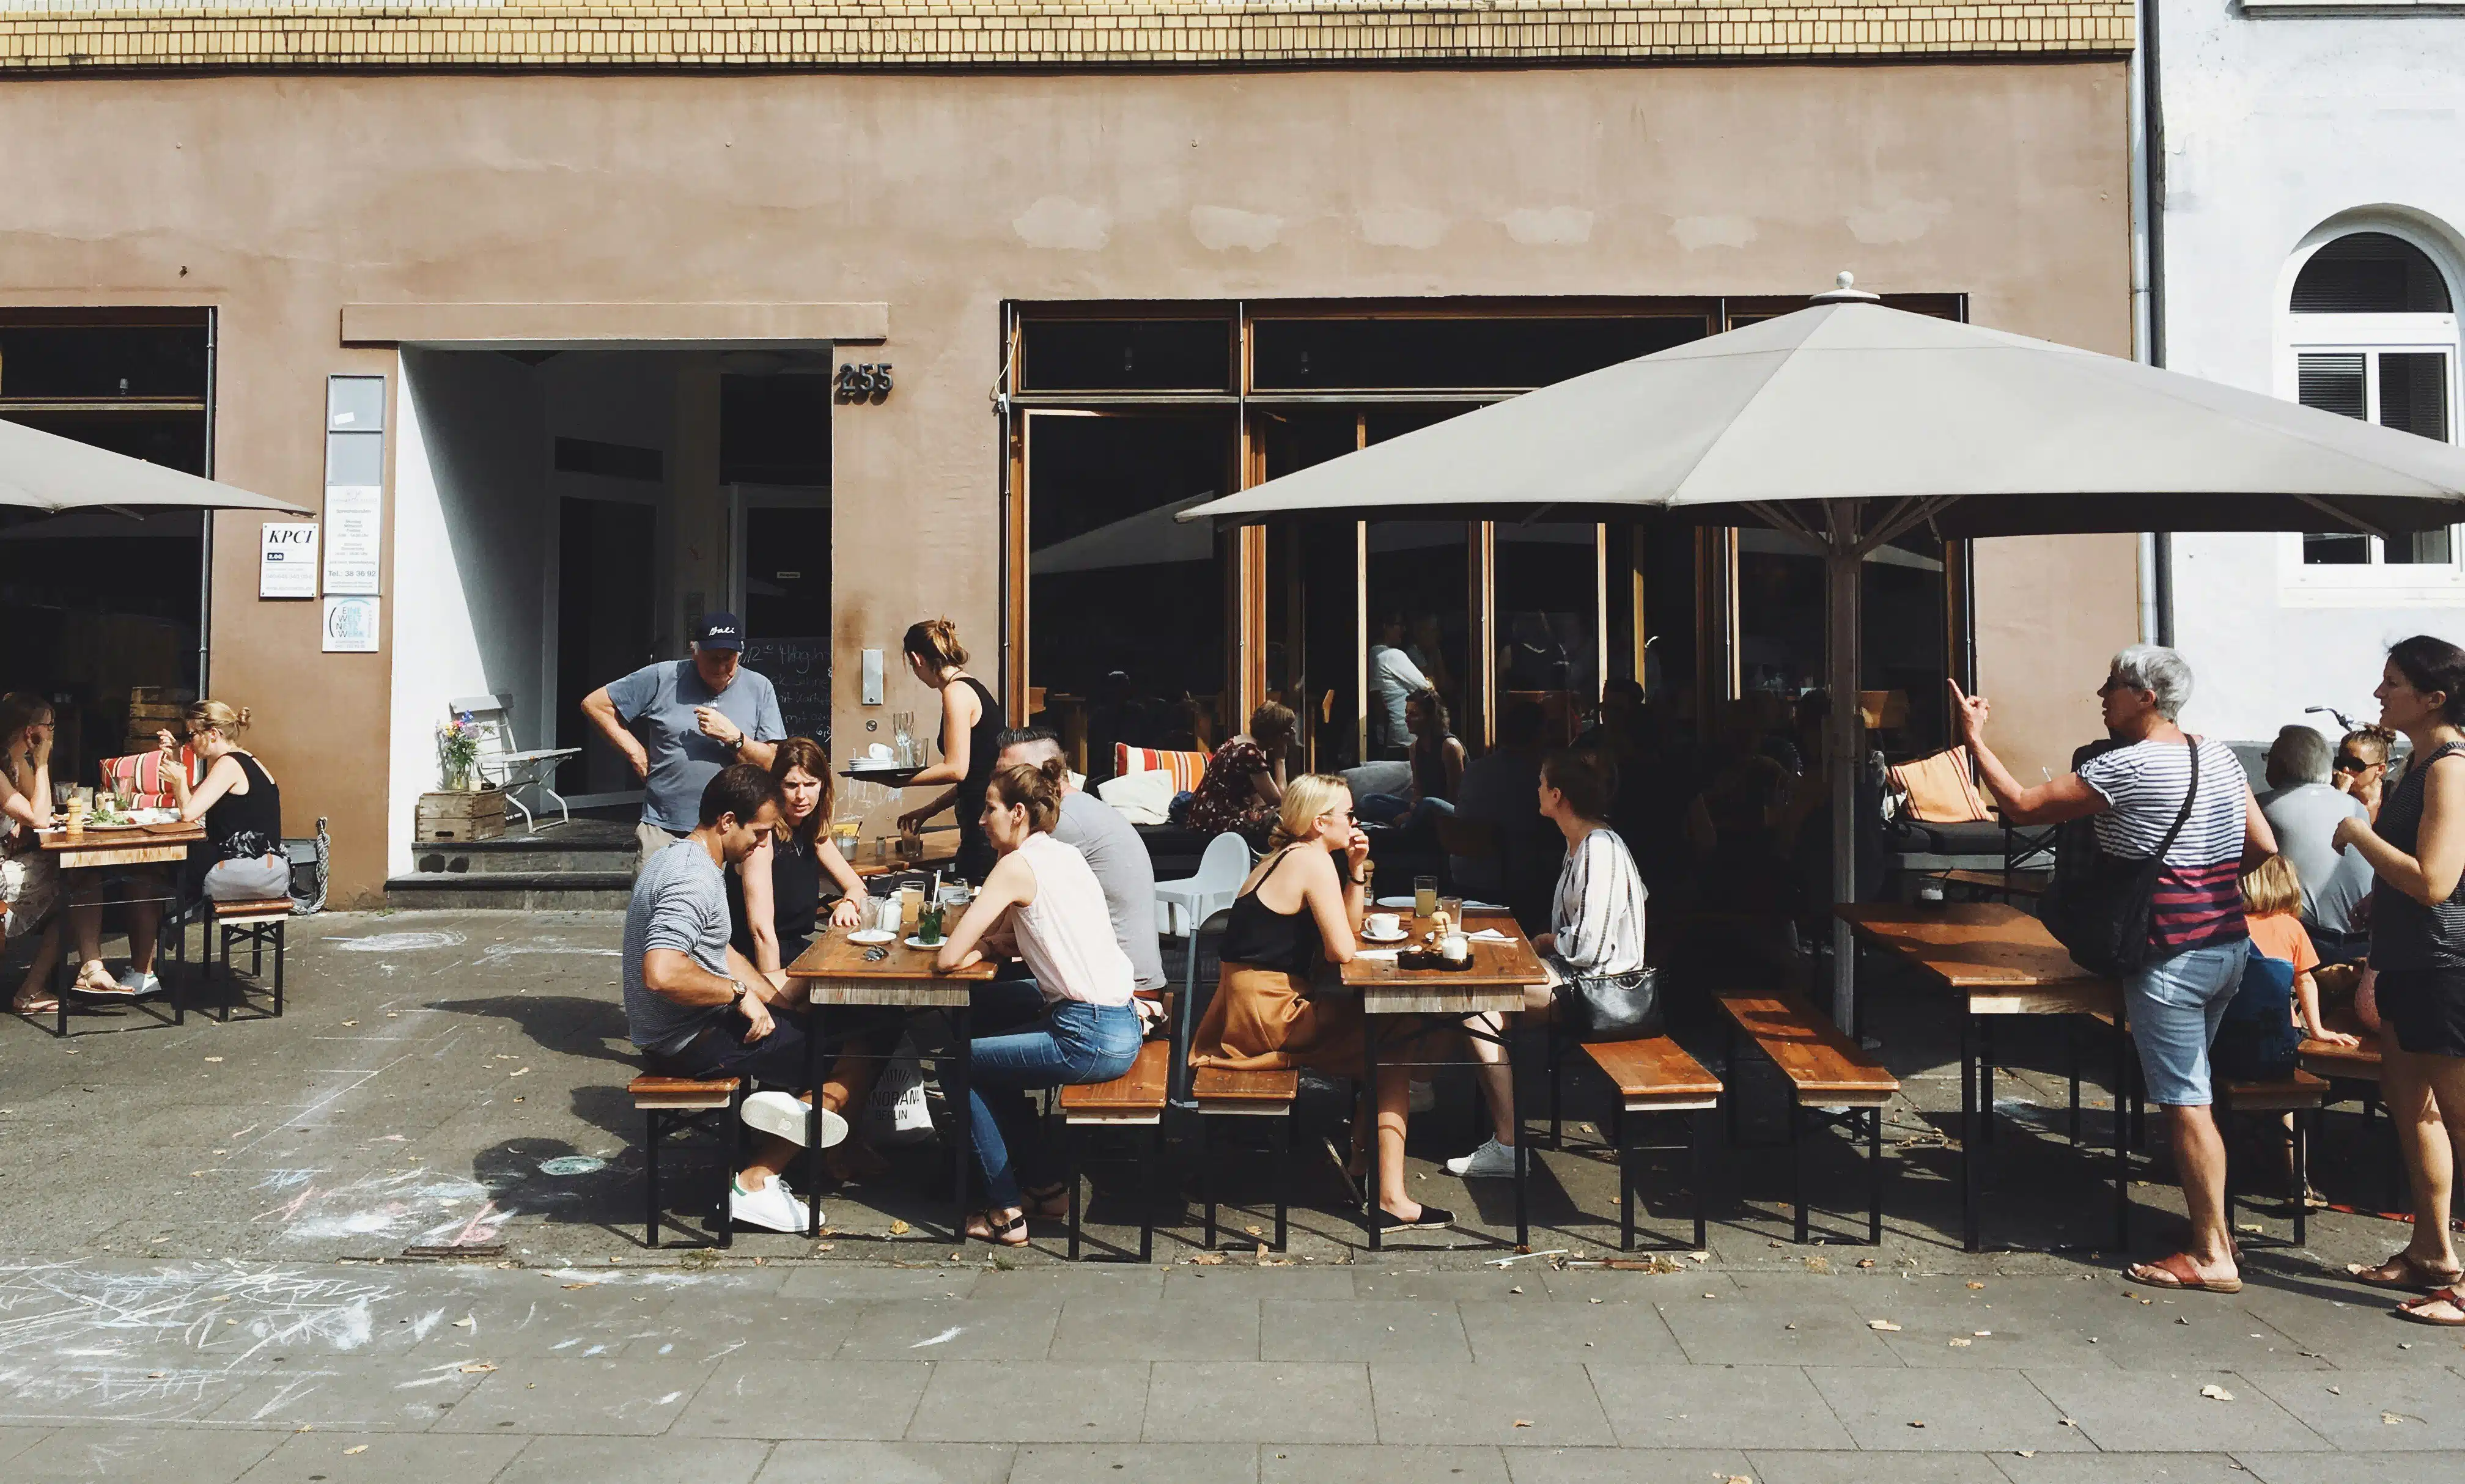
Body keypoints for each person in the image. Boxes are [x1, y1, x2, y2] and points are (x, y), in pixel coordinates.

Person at [1950, 644, 2273, 1296]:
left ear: (2146, 697)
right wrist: (2202, 885)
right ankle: (2214, 1227)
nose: (2101, 695)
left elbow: (2019, 804)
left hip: (2169, 957)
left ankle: (2213, 1253)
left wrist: (1972, 737)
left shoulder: (2128, 767)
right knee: (2197, 1092)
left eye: (2112, 686)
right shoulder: (2216, 753)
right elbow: (2263, 845)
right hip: (2227, 946)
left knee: (2186, 1103)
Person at [1189, 773, 1454, 1232]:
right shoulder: (1309, 862)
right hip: (1270, 1014)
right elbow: (1342, 951)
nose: (1355, 820)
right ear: (1319, 822)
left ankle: (1361, 1165)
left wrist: (1355, 868)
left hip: (1252, 1006)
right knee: (1396, 1038)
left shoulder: (1292, 856)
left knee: (1392, 1034)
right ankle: (1387, 1194)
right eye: (1348, 814)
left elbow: (1345, 931)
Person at [931, 762, 1143, 1245]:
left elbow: (947, 958)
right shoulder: (1065, 856)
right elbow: (1008, 938)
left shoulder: (1014, 867)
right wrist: (990, 945)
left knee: (954, 1064)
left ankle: (1006, 1212)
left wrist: (978, 946)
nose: (982, 821)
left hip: (1086, 1035)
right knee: (983, 1026)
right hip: (1120, 1022)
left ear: (1019, 812)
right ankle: (1045, 1187)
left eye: (990, 809)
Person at [626, 764, 831, 1234]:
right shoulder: (692, 880)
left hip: (684, 1029)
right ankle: (757, 1180)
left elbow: (718, 948)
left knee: (801, 1022)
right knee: (832, 1047)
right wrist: (739, 994)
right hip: (681, 1043)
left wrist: (774, 996)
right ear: (725, 822)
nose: (763, 845)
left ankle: (774, 1135)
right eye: (758, 833)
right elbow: (661, 972)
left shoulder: (685, 857)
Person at [2326, 636, 2465, 1324]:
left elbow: (2437, 883)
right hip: (2410, 958)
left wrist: (2359, 835)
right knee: (2412, 1108)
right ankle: (2433, 1253)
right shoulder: (2420, 761)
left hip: (2446, 965)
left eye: (2393, 683)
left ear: (2434, 697)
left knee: (2457, 1116)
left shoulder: (2450, 768)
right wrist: (2383, 889)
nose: (2380, 694)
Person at [1449, 749, 1651, 1178]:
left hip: (1604, 989)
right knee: (1482, 1003)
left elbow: (1589, 948)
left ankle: (1506, 1144)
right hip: (1583, 979)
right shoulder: (1580, 845)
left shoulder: (1600, 848)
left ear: (1558, 795)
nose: (1536, 790)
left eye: (1542, 784)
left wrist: (1544, 941)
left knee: (1477, 1004)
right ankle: (1492, 1132)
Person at [724, 736, 883, 1181]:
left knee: (880, 1024)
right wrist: (778, 990)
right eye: (791, 785)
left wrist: (845, 903)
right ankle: (811, 1148)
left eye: (810, 784)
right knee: (866, 1027)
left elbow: (856, 886)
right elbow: (761, 929)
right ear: (775, 788)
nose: (801, 795)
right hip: (762, 966)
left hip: (802, 957)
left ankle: (831, 1142)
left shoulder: (813, 832)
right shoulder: (762, 840)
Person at [67, 700, 292, 1001]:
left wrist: (178, 779)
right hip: (258, 859)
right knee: (151, 871)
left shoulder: (228, 764)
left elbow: (189, 812)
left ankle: (143, 973)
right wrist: (176, 762)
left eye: (191, 735)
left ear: (212, 734)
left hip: (237, 862)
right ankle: (148, 961)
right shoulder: (243, 760)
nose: (190, 741)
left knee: (143, 873)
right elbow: (196, 797)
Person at [582, 612, 784, 869]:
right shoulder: (663, 677)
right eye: (713, 659)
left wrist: (734, 738)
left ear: (740, 653)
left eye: (729, 659)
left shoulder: (759, 687)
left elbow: (771, 762)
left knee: (724, 909)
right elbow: (596, 705)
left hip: (736, 832)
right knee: (657, 904)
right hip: (666, 825)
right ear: (695, 652)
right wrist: (636, 754)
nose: (722, 667)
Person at [995, 727, 1167, 998]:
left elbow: (1007, 912)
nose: (999, 784)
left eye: (1009, 774)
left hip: (1121, 996)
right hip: (1103, 981)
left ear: (1043, 774)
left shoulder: (1062, 824)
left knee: (981, 1003)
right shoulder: (1076, 809)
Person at [894, 618, 1003, 883]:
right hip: (982, 816)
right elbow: (976, 773)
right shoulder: (970, 686)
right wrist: (928, 811)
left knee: (971, 905)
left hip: (982, 822)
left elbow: (956, 769)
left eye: (912, 666)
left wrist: (895, 780)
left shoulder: (956, 692)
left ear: (916, 659)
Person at [2257, 724, 2375, 961]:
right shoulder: (2355, 806)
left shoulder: (2264, 807)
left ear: (2281, 765)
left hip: (2310, 942)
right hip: (2364, 940)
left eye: (2268, 758)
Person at [1452, 699, 1555, 909]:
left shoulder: (1474, 770)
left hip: (1464, 871)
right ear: (1538, 735)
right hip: (1511, 878)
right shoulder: (1536, 777)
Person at [0, 693, 64, 1014]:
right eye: (49, 725)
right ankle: (29, 992)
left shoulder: (14, 764)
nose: (53, 733)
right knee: (76, 884)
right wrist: (42, 763)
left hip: (5, 863)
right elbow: (41, 818)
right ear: (30, 732)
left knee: (79, 886)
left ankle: (31, 990)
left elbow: (40, 812)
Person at [1185, 702, 1299, 850]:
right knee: (1283, 816)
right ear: (1278, 734)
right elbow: (1277, 800)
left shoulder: (1237, 741)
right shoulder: (1250, 753)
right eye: (1289, 730)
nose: (1293, 734)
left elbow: (1259, 797)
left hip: (1202, 816)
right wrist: (1280, 759)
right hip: (1216, 820)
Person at [1360, 688, 1467, 832]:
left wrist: (1413, 813)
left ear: (1431, 718)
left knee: (1429, 803)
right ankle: (1407, 827)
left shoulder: (1450, 746)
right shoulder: (1415, 749)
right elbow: (1418, 791)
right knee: (1369, 801)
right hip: (1423, 811)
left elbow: (1457, 796)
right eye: (1407, 713)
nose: (1407, 719)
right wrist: (1413, 808)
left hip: (1449, 811)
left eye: (1414, 714)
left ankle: (1405, 830)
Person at [1368, 612, 1431, 760]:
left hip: (1389, 735)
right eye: (1399, 625)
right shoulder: (1392, 656)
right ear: (1385, 627)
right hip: (1406, 733)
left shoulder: (1372, 655)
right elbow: (1426, 688)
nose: (1403, 630)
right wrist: (1430, 682)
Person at [2335, 725, 2395, 823]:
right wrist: (2339, 795)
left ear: (2380, 769)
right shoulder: (2333, 792)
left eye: (2355, 765)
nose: (2345, 770)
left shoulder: (2395, 797)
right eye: (2340, 763)